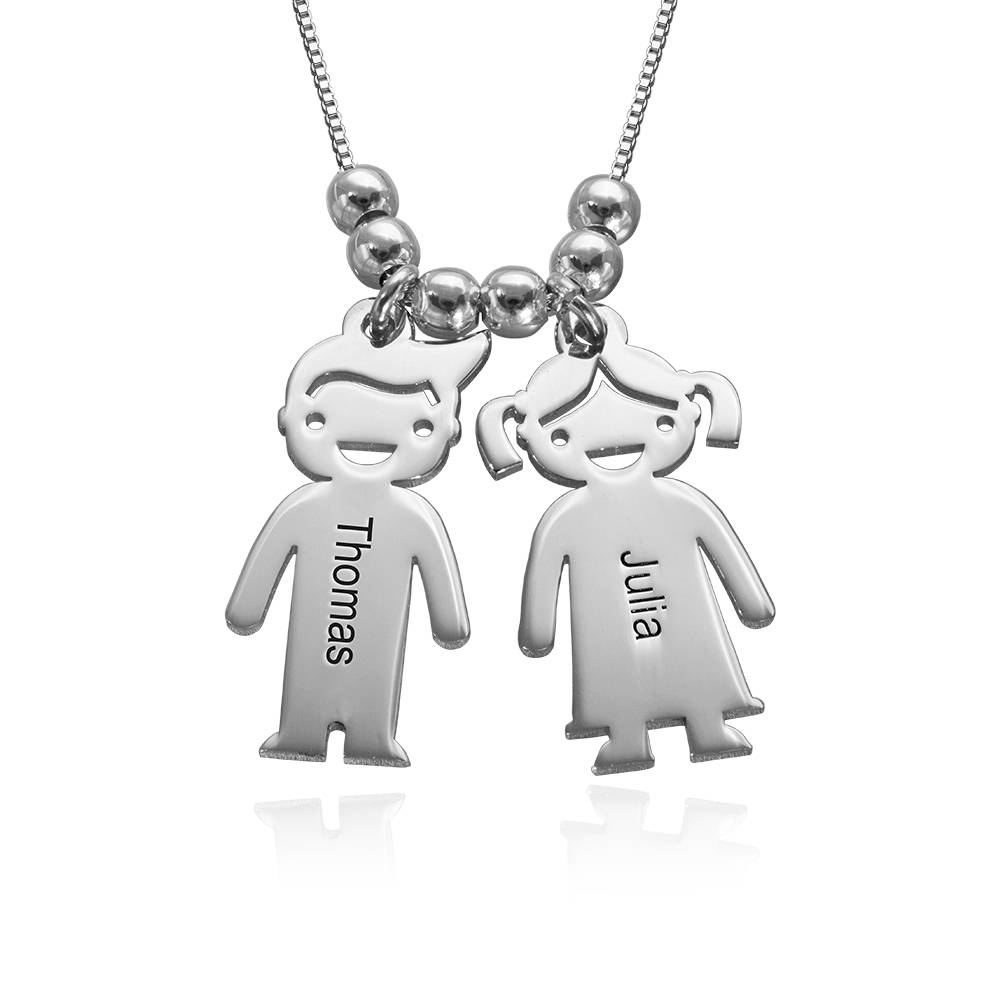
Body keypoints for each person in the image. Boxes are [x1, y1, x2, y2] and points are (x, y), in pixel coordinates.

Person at [477, 306, 774, 774]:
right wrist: (537, 630)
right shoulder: (569, 518)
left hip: (680, 619)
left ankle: (708, 726)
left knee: (695, 667)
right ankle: (627, 738)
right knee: (618, 680)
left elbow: (725, 552)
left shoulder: (671, 504)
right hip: (612, 629)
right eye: (563, 436)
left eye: (658, 422)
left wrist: (752, 602)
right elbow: (545, 572)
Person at [227, 301, 490, 766]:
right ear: (287, 419)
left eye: (418, 427)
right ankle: (299, 732)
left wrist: (449, 621)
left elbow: (436, 571)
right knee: (314, 673)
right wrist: (246, 608)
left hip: (374, 641)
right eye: (319, 421)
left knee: (373, 675)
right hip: (324, 633)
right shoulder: (309, 508)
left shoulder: (412, 516)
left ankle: (372, 737)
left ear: (449, 431)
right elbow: (265, 565)